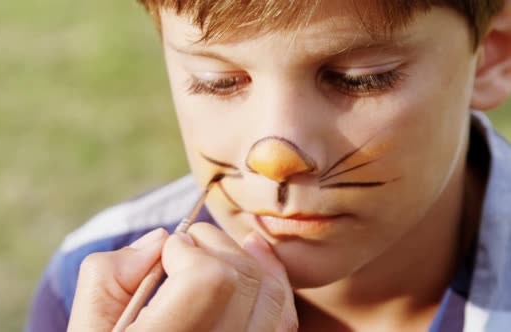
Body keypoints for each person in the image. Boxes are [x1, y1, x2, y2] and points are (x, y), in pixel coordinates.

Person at [26, 0, 511, 331]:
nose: (274, 156)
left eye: (359, 80)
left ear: (492, 57)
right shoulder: (93, 289)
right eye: (218, 81)